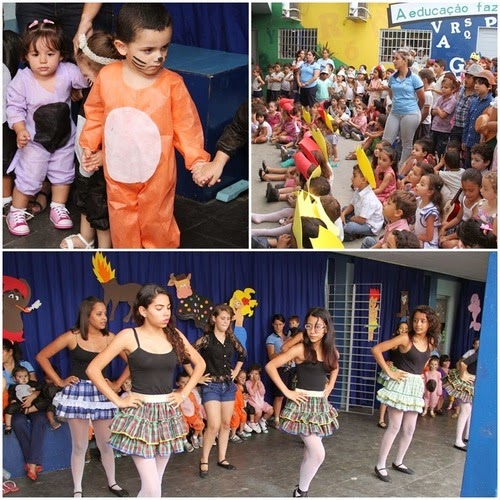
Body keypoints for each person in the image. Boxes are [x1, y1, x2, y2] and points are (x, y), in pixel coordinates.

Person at [80, 4, 211, 248]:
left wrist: (198, 162)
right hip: (118, 172)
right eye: (148, 49)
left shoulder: (172, 84)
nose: (159, 56)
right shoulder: (108, 77)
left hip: (157, 176)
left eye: (164, 47)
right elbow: (96, 112)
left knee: (158, 223)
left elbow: (187, 127)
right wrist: (89, 144)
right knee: (121, 223)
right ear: (122, 47)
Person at [86, 285, 205, 497]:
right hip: (140, 414)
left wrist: (183, 393)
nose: (166, 312)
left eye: (168, 307)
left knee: (154, 486)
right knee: (153, 488)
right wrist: (118, 400)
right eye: (159, 308)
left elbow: (200, 364)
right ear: (143, 311)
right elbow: (93, 369)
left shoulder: (173, 334)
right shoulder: (128, 336)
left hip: (167, 414)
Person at [36, 297, 130, 497]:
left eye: (105, 313)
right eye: (99, 314)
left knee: (106, 443)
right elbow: (42, 356)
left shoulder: (110, 338)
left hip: (102, 393)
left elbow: (133, 362)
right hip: (77, 394)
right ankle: (77, 488)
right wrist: (59, 381)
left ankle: (113, 483)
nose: (105, 317)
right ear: (87, 316)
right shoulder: (73, 336)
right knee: (79, 445)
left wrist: (116, 384)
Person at [5, 20, 88, 237]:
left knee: (63, 174)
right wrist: (20, 128)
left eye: (50, 54)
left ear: (61, 55)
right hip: (34, 141)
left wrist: (82, 73)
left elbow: (85, 81)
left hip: (63, 138)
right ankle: (16, 210)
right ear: (26, 56)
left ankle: (58, 207)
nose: (43, 61)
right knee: (29, 177)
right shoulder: (22, 80)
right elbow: (14, 107)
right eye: (35, 55)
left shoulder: (68, 72)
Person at [265, 307, 339, 497]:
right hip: (302, 405)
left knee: (309, 452)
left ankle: (301, 489)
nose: (313, 330)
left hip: (320, 406)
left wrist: (330, 385)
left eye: (318, 326)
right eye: (309, 326)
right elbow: (271, 366)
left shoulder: (330, 351)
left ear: (326, 329)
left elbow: (335, 366)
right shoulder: (300, 349)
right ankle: (301, 491)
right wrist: (287, 392)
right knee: (318, 453)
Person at [60, 30, 122, 249]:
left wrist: (101, 155)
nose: (82, 77)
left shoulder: (113, 99)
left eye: (85, 72)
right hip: (84, 157)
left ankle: (105, 246)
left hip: (100, 163)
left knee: (99, 205)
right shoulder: (92, 89)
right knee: (85, 197)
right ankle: (86, 238)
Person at [371, 305, 440, 482]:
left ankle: (399, 461)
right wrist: (389, 372)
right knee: (394, 426)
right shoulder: (405, 338)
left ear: (430, 323)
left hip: (415, 385)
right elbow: (376, 349)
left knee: (409, 429)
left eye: (423, 321)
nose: (418, 324)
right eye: (415, 320)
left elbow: (421, 364)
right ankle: (380, 464)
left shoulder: (431, 342)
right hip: (400, 384)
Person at [188, 304, 246, 478]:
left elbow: (242, 354)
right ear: (214, 319)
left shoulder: (231, 339)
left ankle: (222, 458)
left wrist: (235, 372)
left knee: (226, 424)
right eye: (222, 318)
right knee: (213, 424)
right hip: (211, 386)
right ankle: (204, 459)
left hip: (228, 386)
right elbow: (185, 355)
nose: (225, 322)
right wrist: (195, 377)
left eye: (228, 319)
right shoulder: (206, 339)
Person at [3, 339, 46, 482]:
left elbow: (35, 386)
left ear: (10, 352)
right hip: (15, 406)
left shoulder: (25, 365)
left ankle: (30, 464)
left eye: (2, 351)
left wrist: (32, 396)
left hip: (32, 402)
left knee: (40, 419)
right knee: (19, 423)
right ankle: (33, 464)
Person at [382, 49, 425, 168]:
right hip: (395, 112)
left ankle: (401, 169)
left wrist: (414, 110)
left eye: (397, 59)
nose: (393, 61)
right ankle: (384, 165)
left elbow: (422, 99)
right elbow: (391, 94)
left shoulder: (415, 78)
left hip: (410, 114)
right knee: (386, 141)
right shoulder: (392, 78)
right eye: (393, 58)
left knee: (406, 143)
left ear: (405, 61)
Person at [442, 349, 478, 451]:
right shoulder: (480, 353)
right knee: (466, 409)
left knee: (469, 408)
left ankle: (466, 435)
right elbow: (463, 363)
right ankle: (458, 440)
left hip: (471, 383)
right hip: (465, 383)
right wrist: (463, 376)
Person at [377, 321, 409, 428]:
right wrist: (386, 362)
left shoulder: (409, 342)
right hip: (393, 370)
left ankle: (398, 422)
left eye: (406, 329)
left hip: (403, 373)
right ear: (397, 330)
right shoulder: (394, 342)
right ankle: (381, 419)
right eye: (401, 328)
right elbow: (381, 351)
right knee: (387, 395)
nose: (403, 330)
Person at [439, 168, 482, 248]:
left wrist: (447, 237)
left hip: (468, 233)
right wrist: (444, 228)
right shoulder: (465, 198)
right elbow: (458, 218)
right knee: (439, 228)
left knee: (446, 244)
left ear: (480, 187)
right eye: (464, 190)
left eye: (471, 190)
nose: (467, 193)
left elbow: (469, 230)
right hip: (460, 226)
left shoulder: (478, 205)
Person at [341, 165, 384, 242]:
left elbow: (362, 220)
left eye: (354, 176)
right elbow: (352, 204)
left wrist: (352, 219)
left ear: (363, 180)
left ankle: (353, 232)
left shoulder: (368, 199)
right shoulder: (358, 190)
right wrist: (343, 214)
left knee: (349, 227)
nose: (351, 178)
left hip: (369, 225)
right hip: (359, 216)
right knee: (344, 209)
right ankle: (348, 227)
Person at [266, 313, 291, 428]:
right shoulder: (271, 338)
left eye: (280, 324)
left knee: (291, 395)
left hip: (293, 368)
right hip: (280, 368)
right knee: (280, 395)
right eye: (276, 324)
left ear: (284, 325)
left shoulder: (289, 336)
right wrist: (285, 352)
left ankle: (288, 418)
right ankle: (276, 419)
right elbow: (271, 356)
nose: (278, 327)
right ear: (272, 325)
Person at [176, 371, 205, 450]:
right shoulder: (176, 393)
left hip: (192, 413)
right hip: (181, 414)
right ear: (177, 383)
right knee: (183, 426)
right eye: (183, 382)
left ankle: (194, 437)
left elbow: (197, 402)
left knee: (200, 423)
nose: (185, 384)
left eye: (188, 382)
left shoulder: (192, 391)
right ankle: (185, 441)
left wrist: (198, 411)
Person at [413, 173, 443, 248]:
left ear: (430, 192)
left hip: (428, 244)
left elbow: (429, 237)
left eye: (422, 184)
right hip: (418, 236)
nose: (417, 185)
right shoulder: (420, 201)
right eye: (419, 182)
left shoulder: (430, 212)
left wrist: (415, 237)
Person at [245, 363, 274, 433]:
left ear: (259, 375)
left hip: (261, 401)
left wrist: (258, 383)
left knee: (271, 410)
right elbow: (252, 393)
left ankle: (262, 421)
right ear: (249, 374)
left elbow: (262, 393)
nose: (254, 375)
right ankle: (254, 423)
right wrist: (255, 383)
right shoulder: (247, 383)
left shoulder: (260, 382)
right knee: (259, 413)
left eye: (256, 374)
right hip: (252, 402)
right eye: (252, 373)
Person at [229, 369, 252, 442]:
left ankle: (240, 431)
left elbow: (239, 398)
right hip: (231, 407)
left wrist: (242, 408)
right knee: (235, 418)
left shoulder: (236, 387)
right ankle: (232, 435)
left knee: (243, 415)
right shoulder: (228, 387)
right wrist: (231, 410)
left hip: (238, 407)